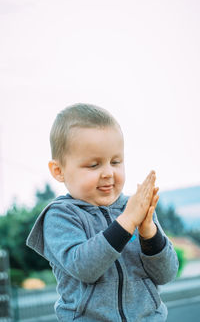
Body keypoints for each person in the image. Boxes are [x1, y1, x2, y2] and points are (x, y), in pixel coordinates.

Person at [26, 103, 178, 322]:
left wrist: (149, 233)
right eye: (93, 165)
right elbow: (85, 268)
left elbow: (166, 274)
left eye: (116, 162)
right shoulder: (60, 216)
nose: (108, 173)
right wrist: (126, 222)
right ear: (58, 171)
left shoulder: (136, 210)